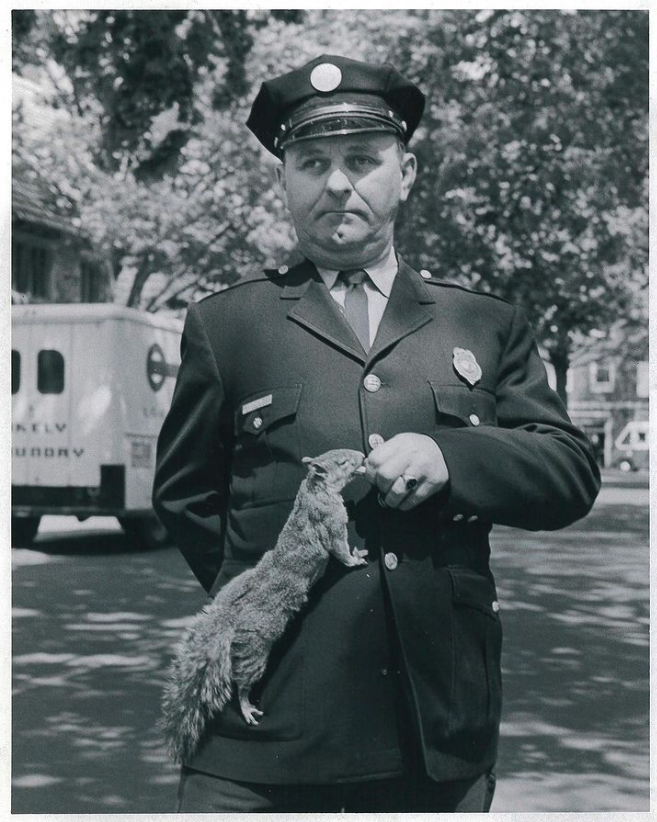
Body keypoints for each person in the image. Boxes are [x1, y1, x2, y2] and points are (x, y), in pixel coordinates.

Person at [152, 54, 601, 813]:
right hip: (261, 739)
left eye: (362, 160)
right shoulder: (226, 324)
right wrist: (270, 594)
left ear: (408, 172)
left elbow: (567, 471)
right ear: (285, 178)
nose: (336, 183)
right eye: (311, 162)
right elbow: (186, 496)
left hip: (433, 725)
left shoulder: (484, 323)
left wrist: (450, 456)